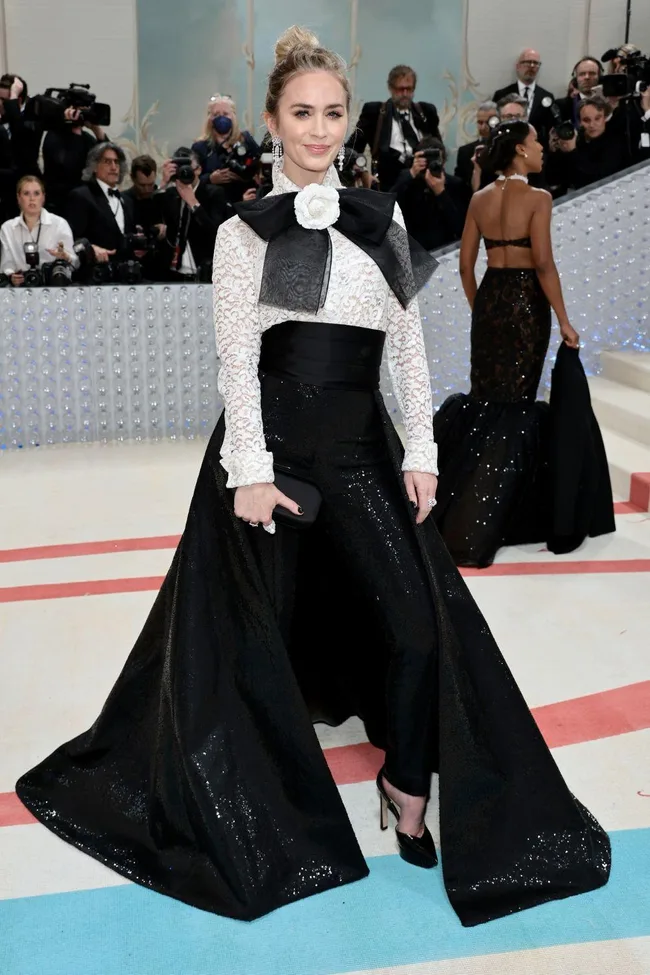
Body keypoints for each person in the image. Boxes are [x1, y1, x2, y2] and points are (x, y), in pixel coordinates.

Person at [16, 27, 610, 929]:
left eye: (334, 112)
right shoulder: (241, 233)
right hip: (274, 452)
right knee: (253, 638)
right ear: (272, 120)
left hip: (362, 446)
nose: (321, 129)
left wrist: (421, 451)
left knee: (418, 626)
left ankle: (410, 788)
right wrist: (248, 470)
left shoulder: (385, 218)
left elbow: (406, 346)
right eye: (303, 113)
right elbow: (234, 360)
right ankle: (271, 800)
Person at [432, 119, 612, 567]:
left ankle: (462, 507)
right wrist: (565, 321)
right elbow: (545, 265)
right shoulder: (538, 198)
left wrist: (482, 312)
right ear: (517, 150)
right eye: (535, 142)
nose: (541, 149)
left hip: (492, 298)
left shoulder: (478, 199)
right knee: (517, 404)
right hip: (527, 302)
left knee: (488, 401)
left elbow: (464, 267)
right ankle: (501, 515)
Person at [346, 64, 440, 190]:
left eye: (409, 89)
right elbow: (352, 149)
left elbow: (439, 148)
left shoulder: (426, 112)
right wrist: (363, 172)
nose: (405, 94)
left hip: (423, 187)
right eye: (400, 89)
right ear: (390, 88)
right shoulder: (374, 112)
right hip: (388, 186)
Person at [156, 147, 230, 281]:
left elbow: (216, 233)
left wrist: (193, 202)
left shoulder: (214, 193)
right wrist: (163, 184)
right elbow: (152, 216)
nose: (185, 172)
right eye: (180, 169)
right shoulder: (169, 194)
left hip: (203, 269)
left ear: (199, 170)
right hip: (172, 271)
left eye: (189, 168)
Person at [392, 136, 469, 250]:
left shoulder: (455, 184)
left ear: (444, 161)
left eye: (436, 160)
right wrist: (411, 174)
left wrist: (441, 193)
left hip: (446, 247)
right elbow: (389, 207)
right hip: (415, 250)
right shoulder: (407, 180)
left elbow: (460, 227)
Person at [546, 95, 634, 192]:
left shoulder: (615, 141)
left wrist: (572, 152)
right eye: (586, 120)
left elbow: (596, 180)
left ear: (604, 118)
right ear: (579, 122)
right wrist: (553, 152)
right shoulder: (576, 140)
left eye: (597, 118)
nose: (592, 125)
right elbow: (553, 181)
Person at [0, 175, 77, 284]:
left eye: (36, 193)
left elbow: (75, 263)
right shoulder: (7, 228)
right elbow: (6, 264)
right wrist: (11, 276)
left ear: (43, 197)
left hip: (52, 286)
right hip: (20, 288)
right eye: (26, 193)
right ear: (18, 198)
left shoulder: (59, 224)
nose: (32, 198)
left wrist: (66, 256)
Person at [66, 142, 135, 263]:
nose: (114, 167)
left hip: (125, 275)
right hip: (94, 274)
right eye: (107, 162)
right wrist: (91, 248)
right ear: (94, 167)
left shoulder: (128, 201)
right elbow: (71, 239)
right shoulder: (81, 196)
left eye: (116, 162)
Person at [191, 94, 260, 204]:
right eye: (216, 114)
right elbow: (192, 181)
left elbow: (261, 163)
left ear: (233, 116)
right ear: (210, 119)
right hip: (215, 207)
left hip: (247, 203)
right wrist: (210, 179)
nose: (221, 117)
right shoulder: (200, 147)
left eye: (225, 114)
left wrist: (246, 176)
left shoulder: (246, 139)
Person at [42, 101, 107, 216]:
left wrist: (97, 131)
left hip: (85, 204)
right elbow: (69, 168)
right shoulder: (54, 136)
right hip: (60, 206)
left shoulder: (87, 139)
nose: (81, 115)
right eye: (79, 111)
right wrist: (72, 127)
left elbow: (108, 161)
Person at [493, 49, 555, 142]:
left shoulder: (547, 97)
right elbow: (495, 124)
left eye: (535, 63)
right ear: (518, 66)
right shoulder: (502, 94)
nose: (532, 66)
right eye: (528, 62)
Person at [455, 101, 497, 193]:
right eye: (480, 122)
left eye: (488, 122)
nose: (483, 127)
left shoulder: (508, 151)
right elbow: (460, 189)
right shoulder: (465, 152)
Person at [555, 57, 603, 127]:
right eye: (582, 74)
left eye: (592, 73)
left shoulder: (608, 104)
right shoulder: (561, 106)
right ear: (575, 79)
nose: (587, 77)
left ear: (600, 78)